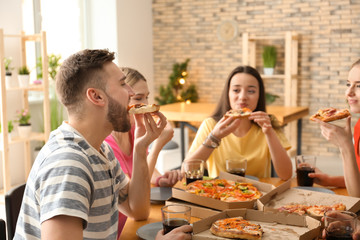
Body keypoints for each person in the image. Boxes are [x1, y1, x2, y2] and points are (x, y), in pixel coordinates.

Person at [14, 49, 192, 240]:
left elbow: (137, 210)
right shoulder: (69, 164)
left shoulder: (100, 150)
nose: (131, 93)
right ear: (96, 96)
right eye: (123, 84)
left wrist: (140, 148)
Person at [105, 67, 182, 236]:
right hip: (123, 229)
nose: (146, 105)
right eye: (138, 98)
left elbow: (143, 170)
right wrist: (157, 145)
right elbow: (135, 191)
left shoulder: (133, 130)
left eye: (147, 98)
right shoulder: (107, 145)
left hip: (139, 221)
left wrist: (160, 179)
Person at [185, 65, 292, 180]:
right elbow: (186, 170)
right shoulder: (211, 125)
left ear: (259, 95)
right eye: (236, 90)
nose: (242, 97)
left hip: (259, 194)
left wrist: (269, 133)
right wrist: (214, 137)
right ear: (228, 93)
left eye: (251, 91)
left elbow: (286, 174)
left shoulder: (268, 123)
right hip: (218, 194)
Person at [311, 59, 360, 198]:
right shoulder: (358, 126)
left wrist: (345, 146)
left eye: (359, 86)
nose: (349, 92)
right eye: (348, 84)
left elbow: (357, 196)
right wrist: (330, 180)